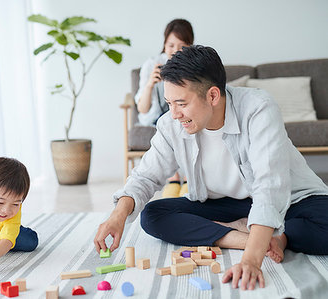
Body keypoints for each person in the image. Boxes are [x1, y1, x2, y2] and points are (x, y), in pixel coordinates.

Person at [94, 45, 328, 291]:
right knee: (153, 215)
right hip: (224, 205)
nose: (174, 114)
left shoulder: (258, 108)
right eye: (169, 103)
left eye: (181, 103)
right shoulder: (170, 124)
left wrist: (251, 260)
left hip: (291, 199)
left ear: (213, 96)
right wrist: (117, 216)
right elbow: (146, 175)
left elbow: (270, 186)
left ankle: (273, 234)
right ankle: (249, 236)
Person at [135, 18, 194, 197]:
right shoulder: (152, 65)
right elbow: (143, 109)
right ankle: (174, 179)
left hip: (185, 114)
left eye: (182, 46)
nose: (175, 51)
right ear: (164, 45)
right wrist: (150, 85)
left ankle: (191, 179)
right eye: (170, 45)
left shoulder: (194, 65)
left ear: (190, 46)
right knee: (165, 126)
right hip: (156, 117)